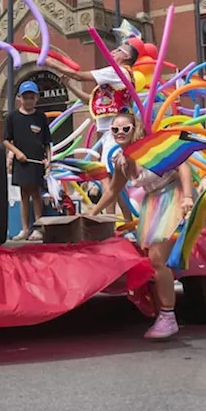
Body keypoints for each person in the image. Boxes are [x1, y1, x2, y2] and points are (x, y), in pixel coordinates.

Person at [84, 110, 194, 340]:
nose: (120, 132)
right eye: (115, 129)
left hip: (171, 195)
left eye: (126, 128)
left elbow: (182, 165)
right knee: (153, 261)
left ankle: (168, 316)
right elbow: (113, 190)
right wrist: (92, 213)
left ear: (135, 129)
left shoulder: (150, 148)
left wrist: (187, 197)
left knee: (156, 259)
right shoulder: (121, 160)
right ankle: (164, 311)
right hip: (152, 201)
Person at [48, 38, 139, 170]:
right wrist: (69, 86)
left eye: (119, 50)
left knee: (110, 177)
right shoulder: (120, 77)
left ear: (127, 56)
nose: (112, 52)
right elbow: (90, 100)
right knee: (110, 177)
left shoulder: (117, 71)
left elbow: (78, 76)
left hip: (115, 133)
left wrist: (53, 64)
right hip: (111, 133)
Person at [4, 80, 53, 241]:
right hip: (21, 162)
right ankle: (25, 229)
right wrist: (16, 153)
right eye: (25, 97)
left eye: (32, 97)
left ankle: (39, 228)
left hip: (37, 161)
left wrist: (48, 162)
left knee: (36, 193)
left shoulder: (41, 117)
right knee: (24, 194)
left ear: (37, 98)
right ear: (19, 98)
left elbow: (47, 142)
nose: (29, 100)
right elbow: (5, 140)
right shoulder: (12, 117)